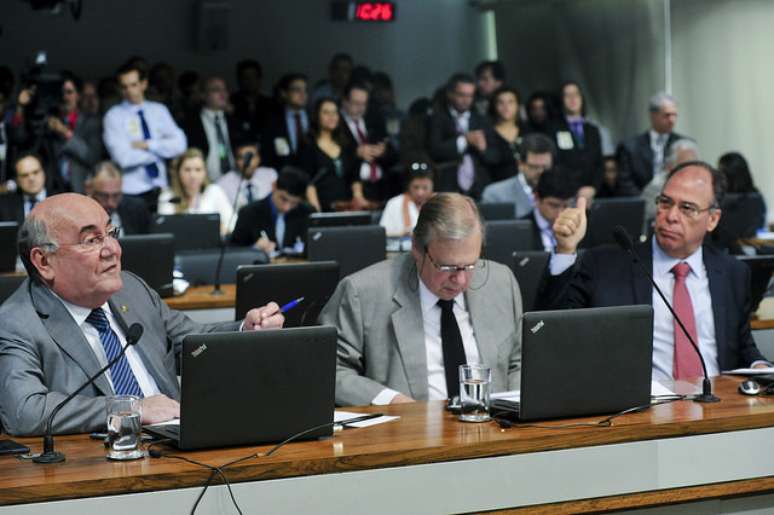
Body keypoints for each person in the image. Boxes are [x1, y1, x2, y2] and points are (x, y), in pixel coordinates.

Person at [0, 193, 283, 436]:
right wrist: (131, 408)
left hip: (181, 443)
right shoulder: (16, 321)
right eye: (91, 240)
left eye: (111, 234)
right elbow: (23, 411)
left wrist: (247, 331)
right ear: (44, 261)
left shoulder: (132, 289)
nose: (112, 250)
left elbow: (194, 346)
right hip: (100, 466)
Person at [544, 161, 770, 383]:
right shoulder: (606, 265)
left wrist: (760, 367)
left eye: (687, 208)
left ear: (712, 219)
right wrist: (565, 249)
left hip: (719, 408)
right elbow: (553, 333)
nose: (671, 216)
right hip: (640, 411)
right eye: (665, 202)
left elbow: (742, 347)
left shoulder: (733, 272)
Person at [320, 193, 522, 406]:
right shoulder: (363, 293)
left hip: (494, 429)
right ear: (417, 247)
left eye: (470, 264)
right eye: (447, 267)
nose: (460, 280)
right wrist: (389, 400)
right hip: (406, 432)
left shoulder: (501, 281)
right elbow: (328, 371)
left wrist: (514, 408)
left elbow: (519, 362)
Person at [103, 60, 187, 212]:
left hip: (160, 187)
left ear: (144, 84)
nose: (129, 91)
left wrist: (149, 144)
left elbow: (180, 144)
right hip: (131, 191)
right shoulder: (113, 116)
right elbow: (123, 158)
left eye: (134, 85)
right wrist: (159, 152)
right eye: (124, 87)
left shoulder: (159, 110)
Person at [7, 73, 104, 194]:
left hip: (82, 189)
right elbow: (20, 141)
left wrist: (65, 132)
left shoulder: (91, 122)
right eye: (61, 92)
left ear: (78, 95)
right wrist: (20, 108)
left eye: (69, 92)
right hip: (53, 190)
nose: (64, 97)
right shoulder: (46, 120)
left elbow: (92, 158)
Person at [428, 73, 499, 199]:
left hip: (479, 187)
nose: (466, 100)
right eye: (461, 95)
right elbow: (435, 150)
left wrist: (483, 148)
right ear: (450, 94)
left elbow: (495, 156)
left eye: (470, 95)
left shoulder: (482, 121)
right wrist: (464, 140)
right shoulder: (437, 119)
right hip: (448, 185)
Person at [616, 92, 687, 196]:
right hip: (640, 204)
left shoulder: (684, 145)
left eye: (674, 115)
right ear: (653, 115)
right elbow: (625, 183)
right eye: (667, 115)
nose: (672, 120)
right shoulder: (630, 147)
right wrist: (646, 202)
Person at [300, 98, 363, 212]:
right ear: (316, 116)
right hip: (321, 207)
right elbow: (308, 182)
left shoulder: (346, 144)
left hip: (346, 208)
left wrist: (357, 200)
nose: (332, 116)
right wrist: (317, 212)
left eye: (335, 112)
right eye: (326, 112)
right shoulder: (308, 145)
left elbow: (355, 177)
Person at [230, 166, 312, 254]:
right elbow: (232, 252)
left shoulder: (307, 213)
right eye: (283, 199)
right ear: (274, 186)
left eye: (294, 203)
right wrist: (254, 249)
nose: (287, 208)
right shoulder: (248, 213)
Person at [340, 81, 397, 204]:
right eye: (356, 103)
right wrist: (356, 152)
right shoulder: (337, 124)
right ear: (344, 101)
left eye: (364, 104)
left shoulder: (374, 120)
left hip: (380, 187)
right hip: (352, 187)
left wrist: (383, 151)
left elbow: (394, 151)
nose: (360, 108)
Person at [157, 148, 235, 236]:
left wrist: (224, 229)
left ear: (205, 172)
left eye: (198, 170)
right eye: (187, 170)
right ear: (178, 172)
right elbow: (165, 230)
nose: (193, 175)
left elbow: (232, 222)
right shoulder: (168, 196)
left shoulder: (214, 191)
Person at [481, 133, 557, 218]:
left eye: (545, 167)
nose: (540, 172)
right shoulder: (496, 195)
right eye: (534, 167)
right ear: (520, 164)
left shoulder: (565, 194)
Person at [550, 81, 603, 202]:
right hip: (565, 195)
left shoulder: (592, 130)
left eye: (576, 94)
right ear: (561, 100)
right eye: (567, 95)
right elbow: (555, 163)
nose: (572, 98)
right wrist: (574, 191)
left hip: (591, 194)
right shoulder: (553, 129)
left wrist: (593, 188)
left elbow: (599, 163)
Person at [181, 76, 240, 182]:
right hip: (203, 181)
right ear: (203, 95)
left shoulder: (234, 120)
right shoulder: (191, 122)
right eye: (216, 90)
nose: (223, 94)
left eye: (225, 89)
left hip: (235, 180)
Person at [712, 152, 767, 253]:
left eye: (721, 172)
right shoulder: (756, 197)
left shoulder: (724, 199)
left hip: (728, 251)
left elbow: (722, 233)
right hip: (749, 250)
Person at [85, 161, 151, 236]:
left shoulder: (137, 209)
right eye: (103, 196)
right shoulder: (76, 213)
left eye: (116, 195)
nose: (110, 203)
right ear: (88, 189)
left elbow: (147, 244)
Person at [260, 73, 309, 171]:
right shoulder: (273, 120)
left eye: (305, 90)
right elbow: (267, 154)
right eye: (297, 90)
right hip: (283, 175)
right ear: (284, 93)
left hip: (313, 177)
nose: (302, 94)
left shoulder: (314, 117)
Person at [522, 168, 575, 252]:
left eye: (566, 206)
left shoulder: (581, 228)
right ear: (536, 198)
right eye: (554, 205)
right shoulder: (520, 229)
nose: (560, 213)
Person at [216, 139, 277, 211]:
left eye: (251, 157)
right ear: (236, 161)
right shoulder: (223, 184)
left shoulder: (270, 175)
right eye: (242, 158)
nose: (247, 162)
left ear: (259, 158)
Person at [379, 161, 434, 237]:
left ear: (432, 187)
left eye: (425, 188)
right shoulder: (395, 203)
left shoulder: (439, 203)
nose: (420, 193)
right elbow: (382, 234)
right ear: (408, 186)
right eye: (416, 187)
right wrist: (401, 234)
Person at [0, 153, 52, 225]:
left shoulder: (61, 201)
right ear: (17, 180)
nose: (31, 178)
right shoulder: (5, 206)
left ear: (44, 173)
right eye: (25, 175)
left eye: (35, 172)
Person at [230, 59, 274, 142]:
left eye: (254, 77)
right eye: (246, 78)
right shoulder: (230, 102)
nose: (250, 81)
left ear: (260, 79)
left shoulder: (271, 104)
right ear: (239, 80)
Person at [486, 86, 522, 182]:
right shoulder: (486, 134)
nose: (506, 107)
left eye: (511, 102)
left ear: (518, 105)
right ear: (494, 106)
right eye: (500, 102)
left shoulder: (528, 130)